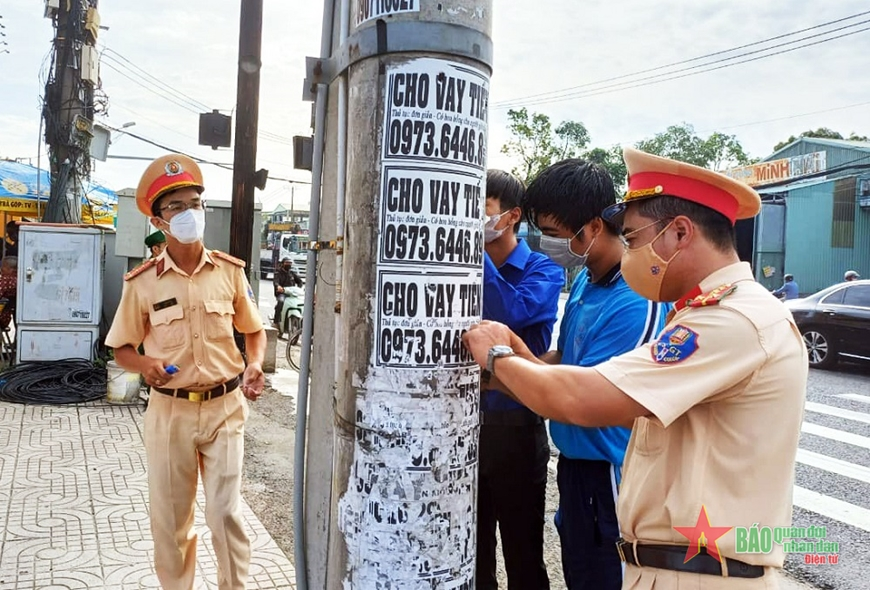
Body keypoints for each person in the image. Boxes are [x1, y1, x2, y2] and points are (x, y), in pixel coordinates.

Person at [464, 147, 808, 589]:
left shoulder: (732, 321)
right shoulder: (702, 312)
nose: (629, 252)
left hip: (701, 569)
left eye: (632, 237)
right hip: (673, 560)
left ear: (680, 232)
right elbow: (567, 370)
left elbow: (583, 396)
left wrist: (497, 357)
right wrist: (503, 367)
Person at [105, 154, 266, 590]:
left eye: (195, 202)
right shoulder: (143, 283)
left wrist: (253, 364)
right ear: (159, 218)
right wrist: (146, 364)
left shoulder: (229, 273)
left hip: (225, 408)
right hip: (170, 413)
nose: (189, 212)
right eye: (176, 206)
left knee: (225, 514)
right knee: (172, 523)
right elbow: (120, 348)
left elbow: (254, 332)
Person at [521, 159, 669, 590]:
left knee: (608, 579)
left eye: (552, 234)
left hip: (610, 472)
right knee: (581, 575)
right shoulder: (587, 279)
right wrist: (499, 368)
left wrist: (504, 364)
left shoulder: (636, 299)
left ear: (591, 228)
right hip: (574, 466)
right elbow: (565, 361)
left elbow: (586, 398)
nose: (547, 244)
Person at [476, 169, 564, 590]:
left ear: (510, 216)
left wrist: (471, 256)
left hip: (516, 429)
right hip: (466, 429)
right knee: (472, 554)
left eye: (482, 208)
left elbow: (509, 314)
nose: (471, 218)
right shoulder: (455, 269)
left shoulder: (543, 271)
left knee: (523, 555)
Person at [273, 256, 303, 334]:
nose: (288, 265)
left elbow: (300, 281)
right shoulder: (278, 273)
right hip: (282, 294)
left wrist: (299, 288)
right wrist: (278, 287)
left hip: (292, 294)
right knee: (280, 302)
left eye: (290, 263)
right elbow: (276, 282)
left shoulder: (292, 273)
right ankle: (276, 322)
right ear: (283, 264)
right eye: (287, 263)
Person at [0, 257, 16, 330]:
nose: (1, 269)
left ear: (11, 269)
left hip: (2, 315)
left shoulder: (6, 280)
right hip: (5, 317)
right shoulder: (17, 280)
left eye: (4, 267)